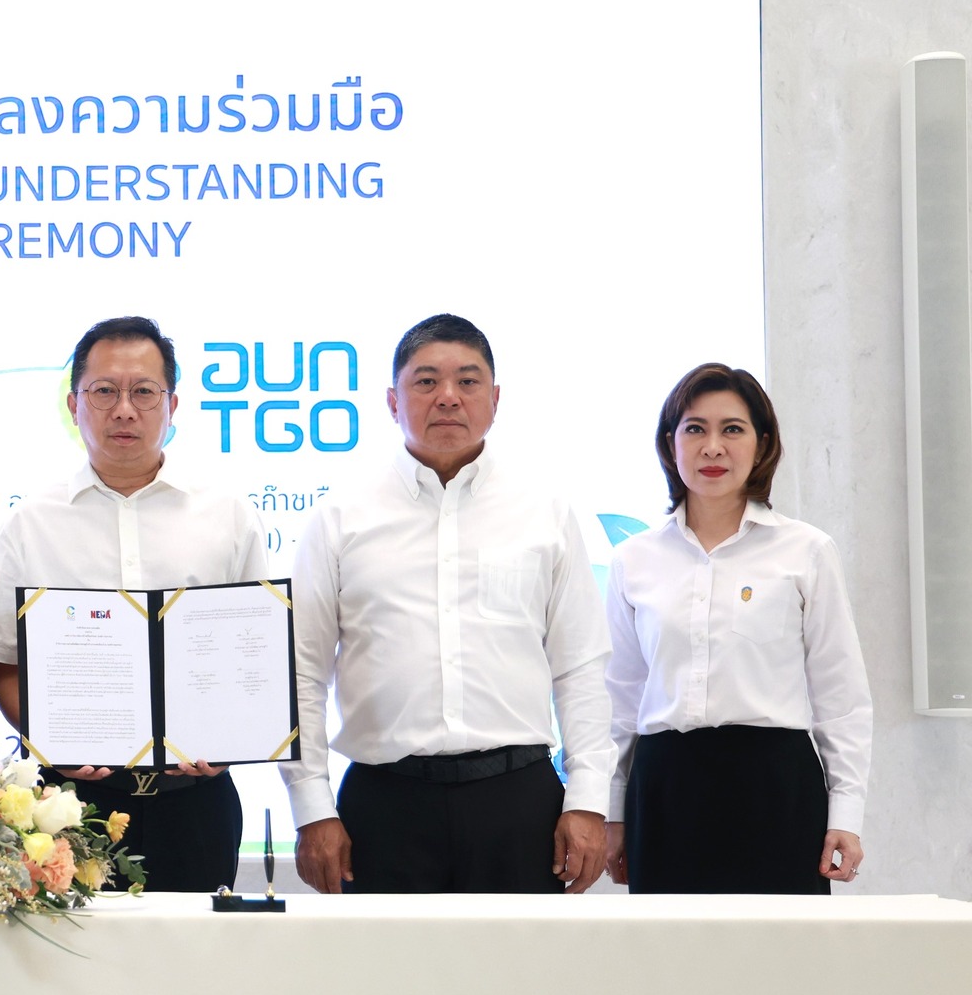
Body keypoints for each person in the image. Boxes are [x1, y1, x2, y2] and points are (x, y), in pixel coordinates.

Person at [284, 313, 611, 895]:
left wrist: (588, 799)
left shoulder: (544, 512)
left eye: (468, 380)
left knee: (522, 958)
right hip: (383, 806)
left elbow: (580, 665)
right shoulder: (341, 517)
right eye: (426, 381)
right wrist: (312, 807)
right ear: (392, 401)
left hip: (519, 801)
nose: (448, 397)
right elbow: (301, 673)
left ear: (495, 399)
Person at [0, 316, 268, 894]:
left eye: (144, 391)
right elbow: (6, 665)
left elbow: (257, 654)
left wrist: (233, 739)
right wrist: (49, 739)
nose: (124, 410)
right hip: (70, 805)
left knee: (198, 950)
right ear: (74, 404)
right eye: (104, 391)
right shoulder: (31, 524)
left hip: (197, 802)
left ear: (172, 405)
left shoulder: (227, 516)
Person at [603, 364, 870, 893]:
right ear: (670, 443)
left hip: (776, 788)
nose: (712, 447)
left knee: (781, 945)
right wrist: (612, 811)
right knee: (667, 945)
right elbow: (620, 701)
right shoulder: (633, 560)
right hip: (664, 790)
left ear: (762, 443)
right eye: (694, 429)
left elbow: (841, 695)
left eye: (732, 429)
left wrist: (847, 813)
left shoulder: (806, 550)